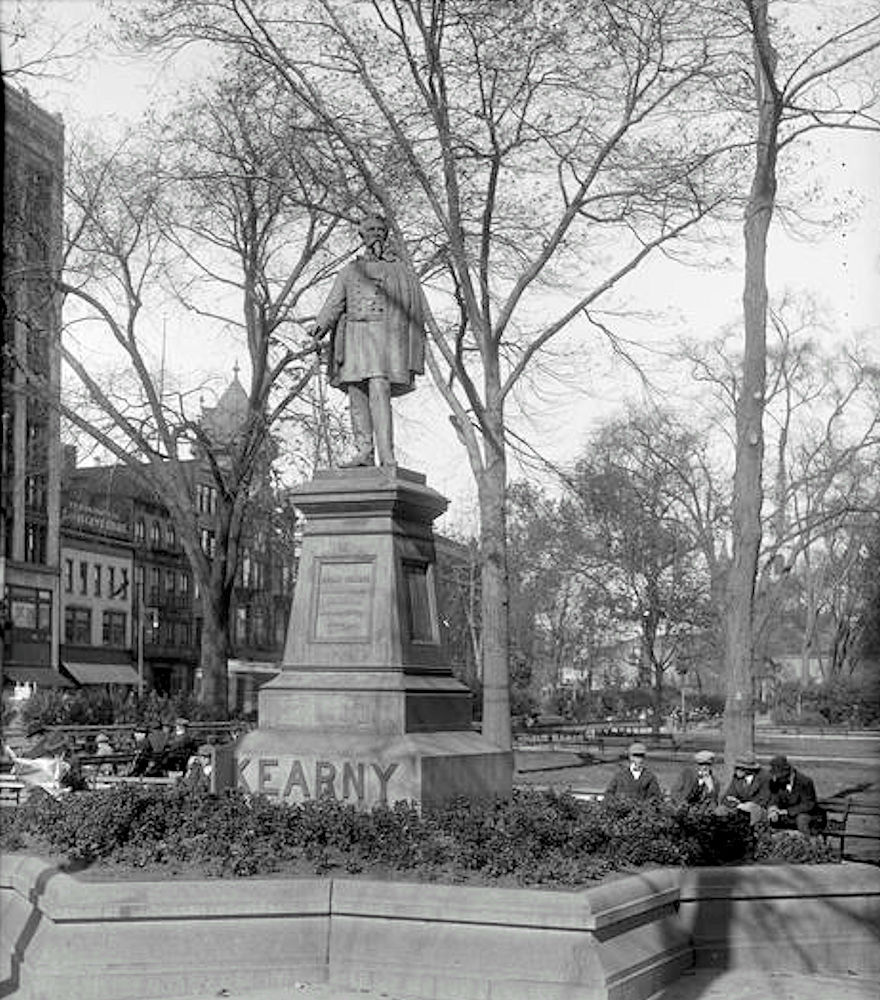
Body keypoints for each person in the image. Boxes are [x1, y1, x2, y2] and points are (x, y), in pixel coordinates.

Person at [312, 213, 426, 468]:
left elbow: (411, 307)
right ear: (362, 235)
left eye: (379, 229)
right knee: (356, 393)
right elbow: (334, 302)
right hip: (354, 336)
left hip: (384, 338)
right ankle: (364, 452)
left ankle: (386, 454)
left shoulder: (399, 270)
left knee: (379, 389)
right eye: (370, 229)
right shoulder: (349, 270)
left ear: (385, 234)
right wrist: (320, 326)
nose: (375, 233)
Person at [766, 755, 827, 835]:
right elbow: (773, 798)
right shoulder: (776, 782)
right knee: (767, 819)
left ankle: (805, 844)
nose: (776, 779)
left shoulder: (805, 782)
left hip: (809, 815)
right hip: (785, 815)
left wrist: (787, 811)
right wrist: (773, 809)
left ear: (787, 774)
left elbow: (808, 805)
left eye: (779, 776)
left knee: (801, 819)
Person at [718, 753, 770, 825]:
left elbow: (764, 799)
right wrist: (735, 802)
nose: (736, 770)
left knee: (754, 812)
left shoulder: (764, 777)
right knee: (721, 810)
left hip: (756, 808)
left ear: (748, 769)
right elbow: (728, 795)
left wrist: (748, 805)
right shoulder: (736, 777)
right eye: (736, 767)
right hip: (739, 806)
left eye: (740, 768)